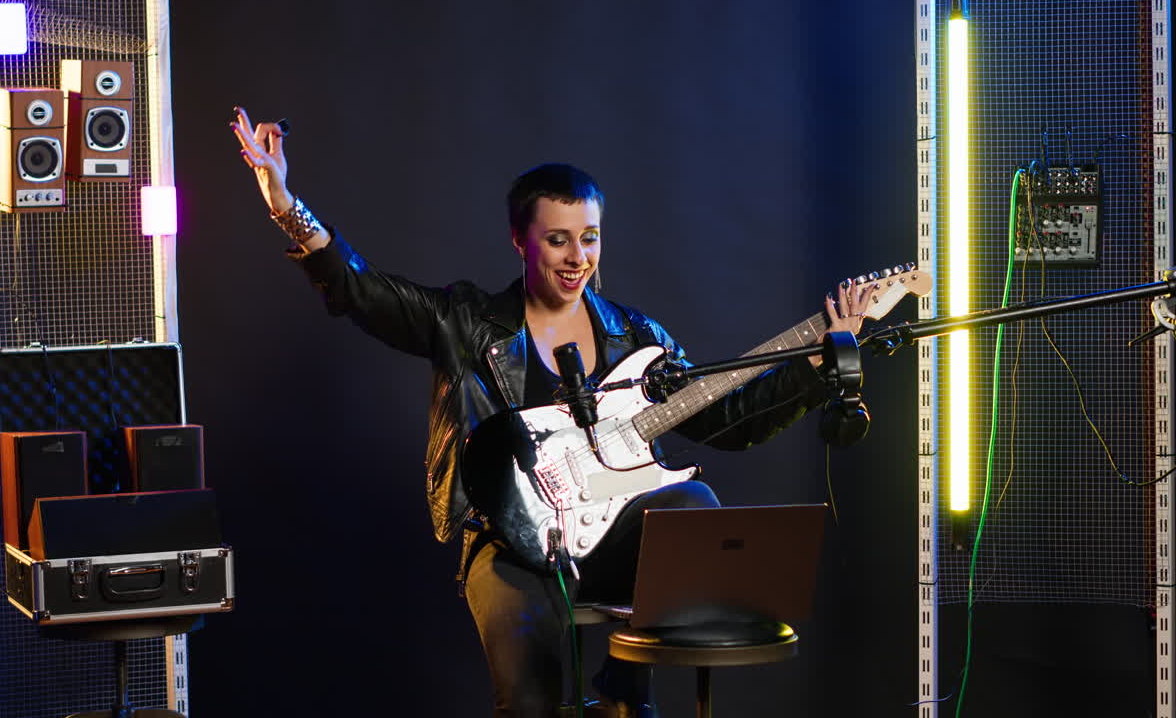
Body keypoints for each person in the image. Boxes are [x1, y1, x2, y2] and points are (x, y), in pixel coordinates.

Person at [231, 107, 872, 717]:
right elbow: (362, 291)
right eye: (558, 240)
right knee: (531, 701)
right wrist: (286, 205)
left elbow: (732, 422)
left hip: (613, 539)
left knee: (693, 502)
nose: (577, 259)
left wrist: (821, 362)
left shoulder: (638, 340)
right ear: (520, 240)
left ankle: (624, 688)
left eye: (590, 239)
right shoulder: (466, 322)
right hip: (510, 543)